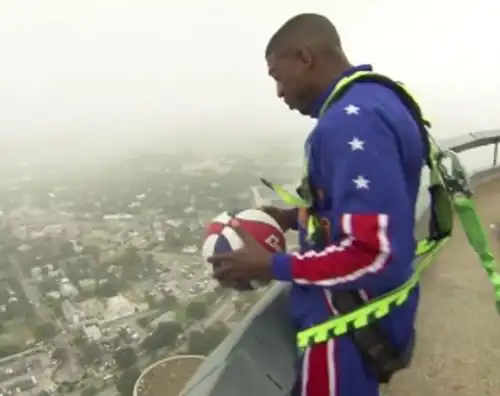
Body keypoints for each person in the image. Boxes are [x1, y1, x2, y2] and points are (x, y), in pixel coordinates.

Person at [210, 13, 424, 396]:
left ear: (304, 57)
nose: (279, 92)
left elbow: (375, 253)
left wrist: (270, 265)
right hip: (364, 317)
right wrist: (294, 217)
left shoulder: (348, 123)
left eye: (278, 76)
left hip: (345, 330)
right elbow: (365, 210)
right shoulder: (377, 98)